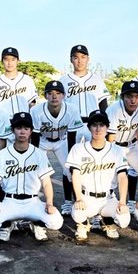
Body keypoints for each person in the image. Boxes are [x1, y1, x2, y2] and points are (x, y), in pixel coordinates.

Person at [0, 112, 64, 242]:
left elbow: (46, 183)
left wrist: (49, 203)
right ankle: (8, 224)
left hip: (33, 202)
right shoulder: (2, 155)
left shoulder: (39, 154)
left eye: (26, 128)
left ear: (31, 131)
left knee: (56, 222)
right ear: (13, 130)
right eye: (19, 128)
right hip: (10, 202)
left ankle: (37, 224)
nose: (22, 131)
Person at [66, 111, 130, 242]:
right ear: (89, 128)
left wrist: (122, 202)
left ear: (107, 127)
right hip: (87, 198)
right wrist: (78, 198)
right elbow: (75, 175)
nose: (98, 129)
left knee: (124, 220)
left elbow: (122, 177)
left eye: (102, 125)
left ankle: (107, 221)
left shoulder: (117, 150)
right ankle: (83, 224)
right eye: (94, 125)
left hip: (108, 199)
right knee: (78, 214)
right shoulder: (78, 149)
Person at [29, 80, 83, 216]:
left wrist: (71, 159)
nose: (54, 96)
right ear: (45, 95)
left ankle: (69, 202)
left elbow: (72, 136)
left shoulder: (72, 109)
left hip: (62, 141)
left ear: (64, 95)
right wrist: (35, 157)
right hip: (42, 141)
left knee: (70, 170)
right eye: (50, 93)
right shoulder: (36, 110)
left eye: (58, 93)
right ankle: (32, 201)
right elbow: (34, 137)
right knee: (35, 170)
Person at [105, 81, 138, 204]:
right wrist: (110, 158)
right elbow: (111, 137)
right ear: (122, 97)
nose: (133, 100)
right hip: (115, 146)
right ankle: (109, 199)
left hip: (132, 145)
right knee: (112, 174)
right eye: (129, 96)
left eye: (137, 96)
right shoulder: (114, 109)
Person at [59, 44, 110, 143]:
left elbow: (103, 104)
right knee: (71, 152)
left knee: (94, 152)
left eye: (83, 57)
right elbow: (60, 105)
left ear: (88, 59)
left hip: (93, 124)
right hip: (71, 124)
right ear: (71, 60)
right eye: (76, 58)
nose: (79, 61)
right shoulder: (63, 80)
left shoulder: (97, 79)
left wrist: (104, 124)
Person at [0, 47, 38, 117]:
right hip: (4, 121)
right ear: (2, 62)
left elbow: (32, 104)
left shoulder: (27, 80)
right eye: (6, 59)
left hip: (24, 121)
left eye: (13, 59)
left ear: (18, 61)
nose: (9, 63)